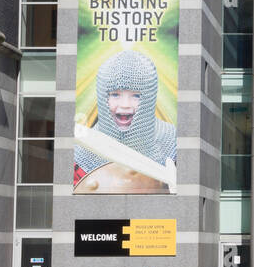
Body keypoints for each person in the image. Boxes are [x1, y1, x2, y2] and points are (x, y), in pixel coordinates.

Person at [74, 50, 177, 193]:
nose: (125, 104)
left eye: (136, 96)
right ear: (103, 97)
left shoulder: (171, 140)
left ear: (149, 97)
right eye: (115, 94)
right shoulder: (84, 149)